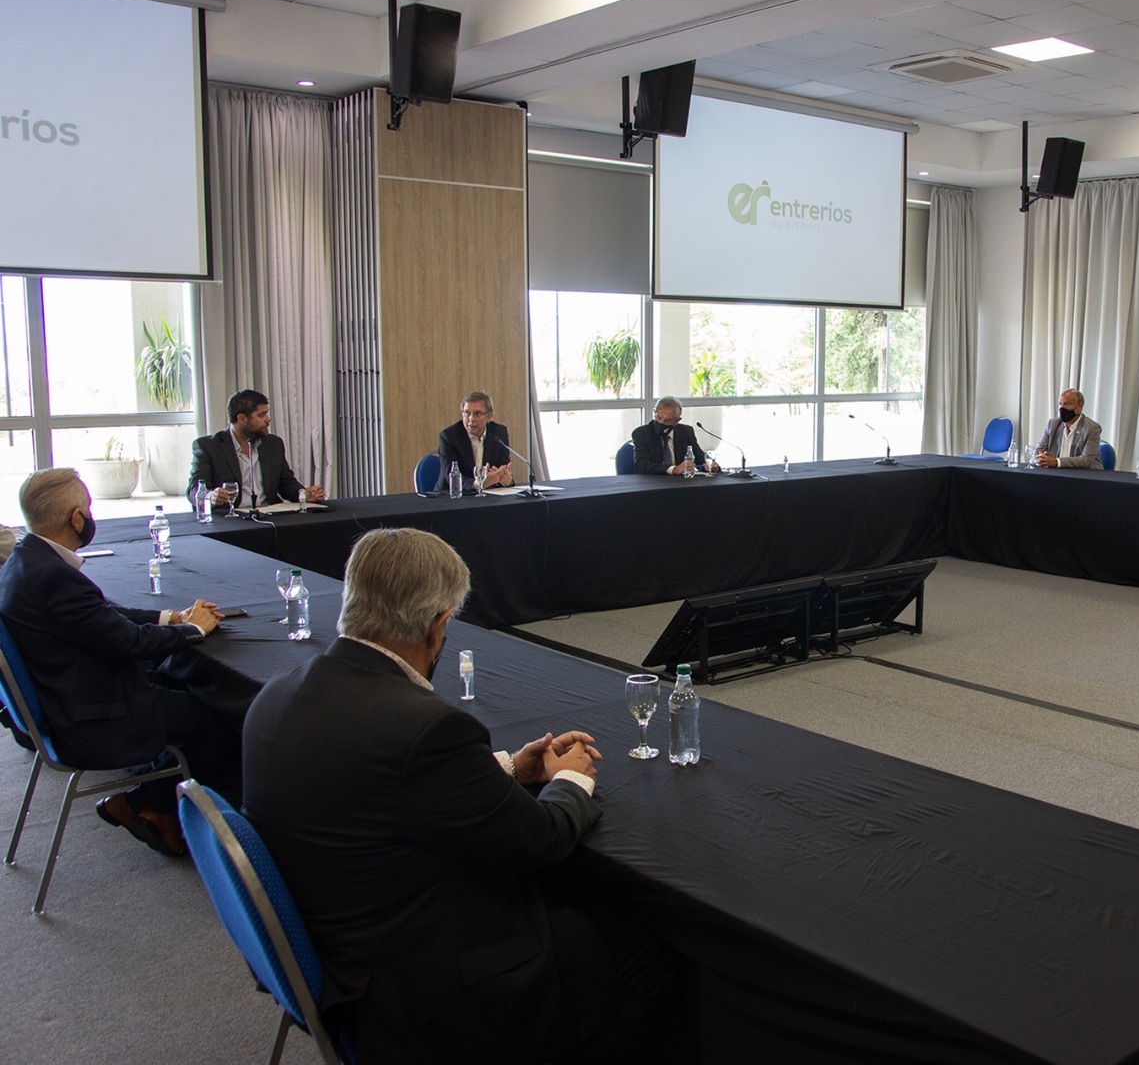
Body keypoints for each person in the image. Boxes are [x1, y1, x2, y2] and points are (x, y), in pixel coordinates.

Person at [242, 528, 673, 1062]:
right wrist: (571, 780)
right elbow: (540, 841)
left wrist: (511, 768)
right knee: (645, 954)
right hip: (419, 991)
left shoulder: (278, 692)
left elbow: (381, 785)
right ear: (438, 624)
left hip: (334, 954)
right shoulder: (424, 728)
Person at [0, 469, 241, 856]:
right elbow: (131, 642)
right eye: (88, 509)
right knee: (225, 720)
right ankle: (147, 803)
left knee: (186, 686)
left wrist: (172, 617)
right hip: (91, 714)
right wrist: (194, 630)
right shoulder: (53, 578)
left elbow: (101, 617)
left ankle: (153, 806)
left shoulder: (24, 561)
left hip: (64, 695)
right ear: (76, 518)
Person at [189, 389, 325, 508]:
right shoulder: (208, 447)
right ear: (242, 419)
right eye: (261, 415)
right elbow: (194, 490)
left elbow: (286, 483)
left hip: (269, 515)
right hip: (230, 519)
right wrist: (211, 496)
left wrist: (304, 494)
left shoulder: (273, 444)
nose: (268, 419)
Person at [438, 390, 513, 490]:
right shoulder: (449, 436)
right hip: (453, 494)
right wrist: (479, 484)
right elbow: (450, 475)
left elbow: (502, 468)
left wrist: (507, 481)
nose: (471, 419)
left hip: (489, 494)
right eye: (467, 413)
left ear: (489, 416)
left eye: (477, 414)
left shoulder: (499, 433)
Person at [630, 396, 718, 476]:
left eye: (667, 420)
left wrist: (710, 466)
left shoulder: (686, 432)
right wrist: (673, 469)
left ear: (677, 421)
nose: (661, 422)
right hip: (653, 483)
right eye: (658, 417)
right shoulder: (641, 433)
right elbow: (642, 466)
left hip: (681, 483)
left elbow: (700, 459)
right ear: (654, 412)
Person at [1034, 388, 1104, 469]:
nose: (1062, 408)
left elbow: (1086, 459)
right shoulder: (1053, 424)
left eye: (1066, 404)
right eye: (1060, 404)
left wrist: (1056, 462)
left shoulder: (1092, 428)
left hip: (1084, 474)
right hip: (1056, 473)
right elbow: (1038, 451)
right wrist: (1039, 460)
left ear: (1079, 406)